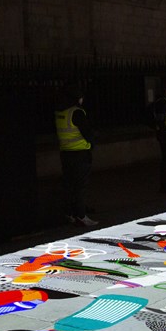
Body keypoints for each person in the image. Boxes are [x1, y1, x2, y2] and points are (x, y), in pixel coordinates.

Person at [54, 83, 97, 227]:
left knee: (69, 185)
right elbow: (87, 132)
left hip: (65, 153)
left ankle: (69, 213)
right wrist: (91, 145)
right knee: (80, 186)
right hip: (80, 154)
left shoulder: (60, 112)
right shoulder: (76, 112)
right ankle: (81, 215)